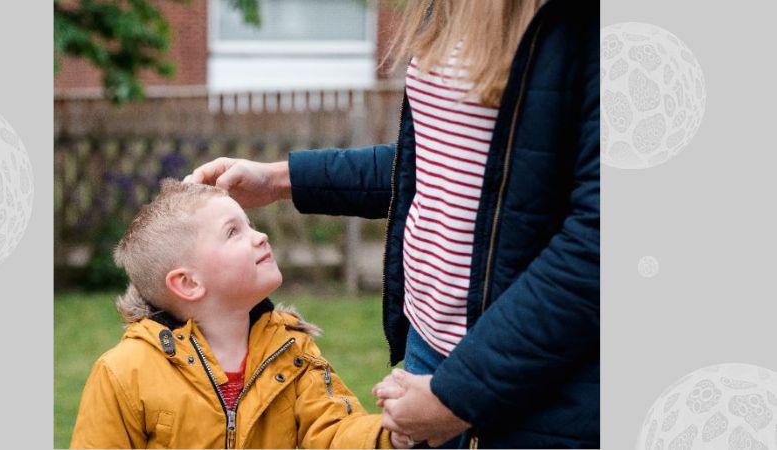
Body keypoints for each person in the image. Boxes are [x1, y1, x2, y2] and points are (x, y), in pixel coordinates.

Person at [185, 0, 599, 447]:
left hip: (528, 377)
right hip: (429, 353)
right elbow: (437, 165)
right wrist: (277, 179)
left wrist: (461, 394)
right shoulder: (445, 8)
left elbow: (597, 245)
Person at [70, 180, 409, 449]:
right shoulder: (124, 372)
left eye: (249, 224)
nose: (260, 236)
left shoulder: (292, 354)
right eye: (233, 232)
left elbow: (336, 432)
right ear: (188, 283)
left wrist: (391, 434)